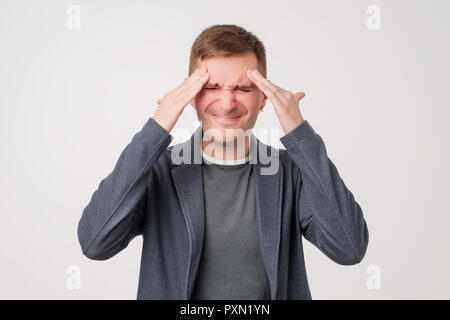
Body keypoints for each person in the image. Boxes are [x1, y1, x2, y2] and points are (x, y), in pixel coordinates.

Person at [77, 24, 369, 300]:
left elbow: (349, 249)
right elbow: (95, 243)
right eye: (212, 87)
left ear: (264, 98)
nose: (228, 103)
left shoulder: (290, 170)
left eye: (243, 89)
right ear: (191, 96)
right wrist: (156, 128)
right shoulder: (158, 169)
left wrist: (299, 133)